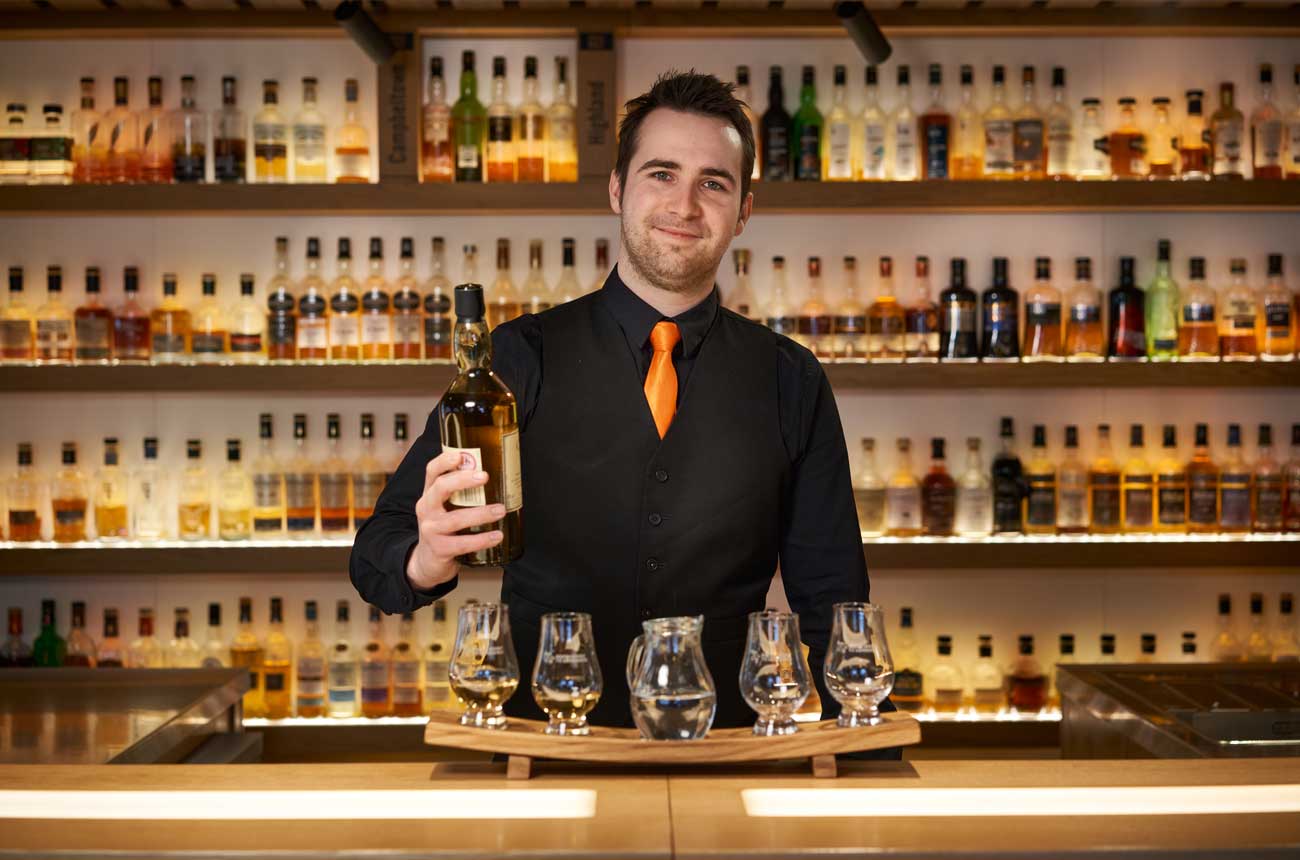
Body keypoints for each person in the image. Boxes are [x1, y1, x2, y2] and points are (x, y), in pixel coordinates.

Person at [351, 70, 883, 735]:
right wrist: (426, 558)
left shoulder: (791, 378)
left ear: (744, 210)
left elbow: (834, 601)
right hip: (543, 749)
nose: (685, 205)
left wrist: (865, 762)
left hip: (725, 753)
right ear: (616, 189)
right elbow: (376, 552)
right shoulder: (518, 358)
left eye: (713, 183)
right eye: (661, 174)